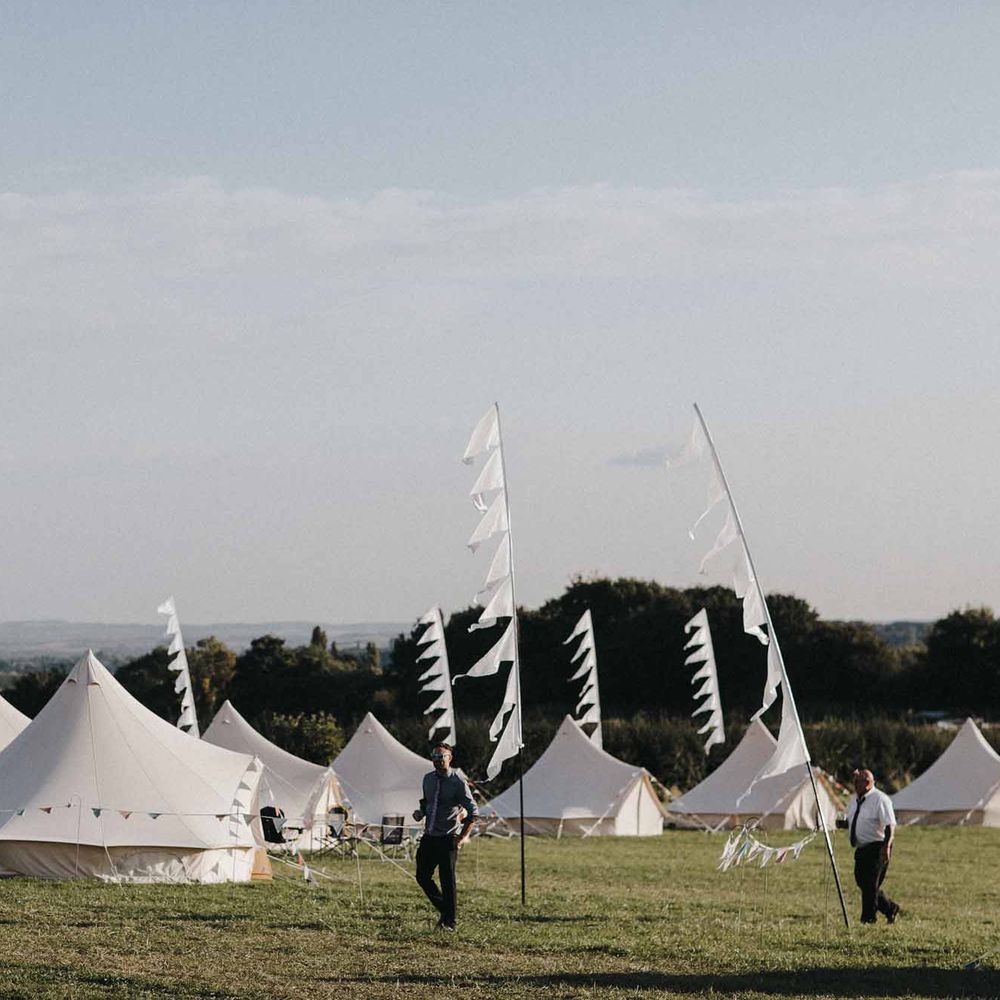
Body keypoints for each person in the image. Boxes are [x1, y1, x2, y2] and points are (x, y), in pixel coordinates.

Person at [412, 743, 477, 930]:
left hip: (449, 838)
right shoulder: (428, 779)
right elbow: (427, 802)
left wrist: (462, 837)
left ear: (450, 758)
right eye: (435, 756)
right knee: (422, 876)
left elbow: (473, 812)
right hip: (429, 835)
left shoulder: (458, 781)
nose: (438, 760)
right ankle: (447, 911)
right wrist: (420, 812)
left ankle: (449, 922)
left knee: (447, 881)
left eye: (442, 757)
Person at [845, 767, 901, 925]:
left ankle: (868, 919)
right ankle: (890, 908)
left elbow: (890, 825)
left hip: (877, 846)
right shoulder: (855, 799)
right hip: (861, 847)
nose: (854, 785)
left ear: (868, 783)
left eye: (857, 782)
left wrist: (887, 846)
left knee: (870, 884)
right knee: (862, 882)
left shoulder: (880, 799)